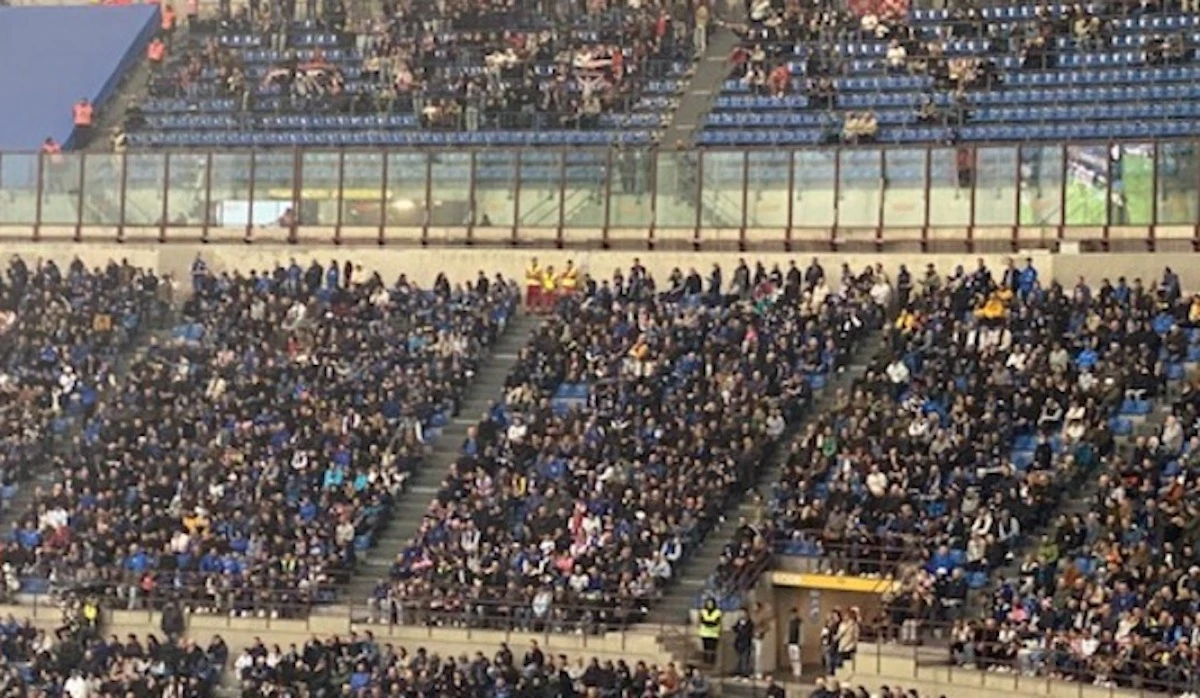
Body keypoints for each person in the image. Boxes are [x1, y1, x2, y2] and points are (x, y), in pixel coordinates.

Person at [698, 599, 723, 666]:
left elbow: (715, 622)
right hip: (704, 634)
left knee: (713, 649)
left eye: (711, 603)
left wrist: (708, 622)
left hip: (714, 634)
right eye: (708, 603)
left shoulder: (718, 612)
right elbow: (703, 621)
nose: (710, 605)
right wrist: (709, 622)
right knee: (706, 648)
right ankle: (705, 661)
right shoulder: (703, 611)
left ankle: (712, 662)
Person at [751, 602, 772, 679]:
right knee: (753, 656)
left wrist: (760, 631)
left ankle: (759, 672)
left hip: (759, 638)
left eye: (755, 606)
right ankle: (754, 671)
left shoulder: (763, 616)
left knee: (758, 655)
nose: (753, 608)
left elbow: (767, 627)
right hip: (752, 637)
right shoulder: (753, 616)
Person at [733, 611, 754, 678]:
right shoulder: (739, 622)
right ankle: (738, 672)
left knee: (745, 658)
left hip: (746, 643)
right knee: (739, 658)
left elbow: (747, 632)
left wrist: (741, 629)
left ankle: (744, 672)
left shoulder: (749, 623)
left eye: (743, 613)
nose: (742, 615)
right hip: (738, 643)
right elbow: (735, 629)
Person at [786, 607, 803, 679]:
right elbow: (787, 632)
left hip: (796, 642)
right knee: (791, 658)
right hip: (790, 642)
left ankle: (798, 671)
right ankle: (794, 669)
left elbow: (801, 632)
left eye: (794, 614)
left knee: (797, 658)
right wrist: (786, 640)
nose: (792, 615)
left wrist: (801, 642)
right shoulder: (789, 622)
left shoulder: (799, 622)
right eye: (791, 614)